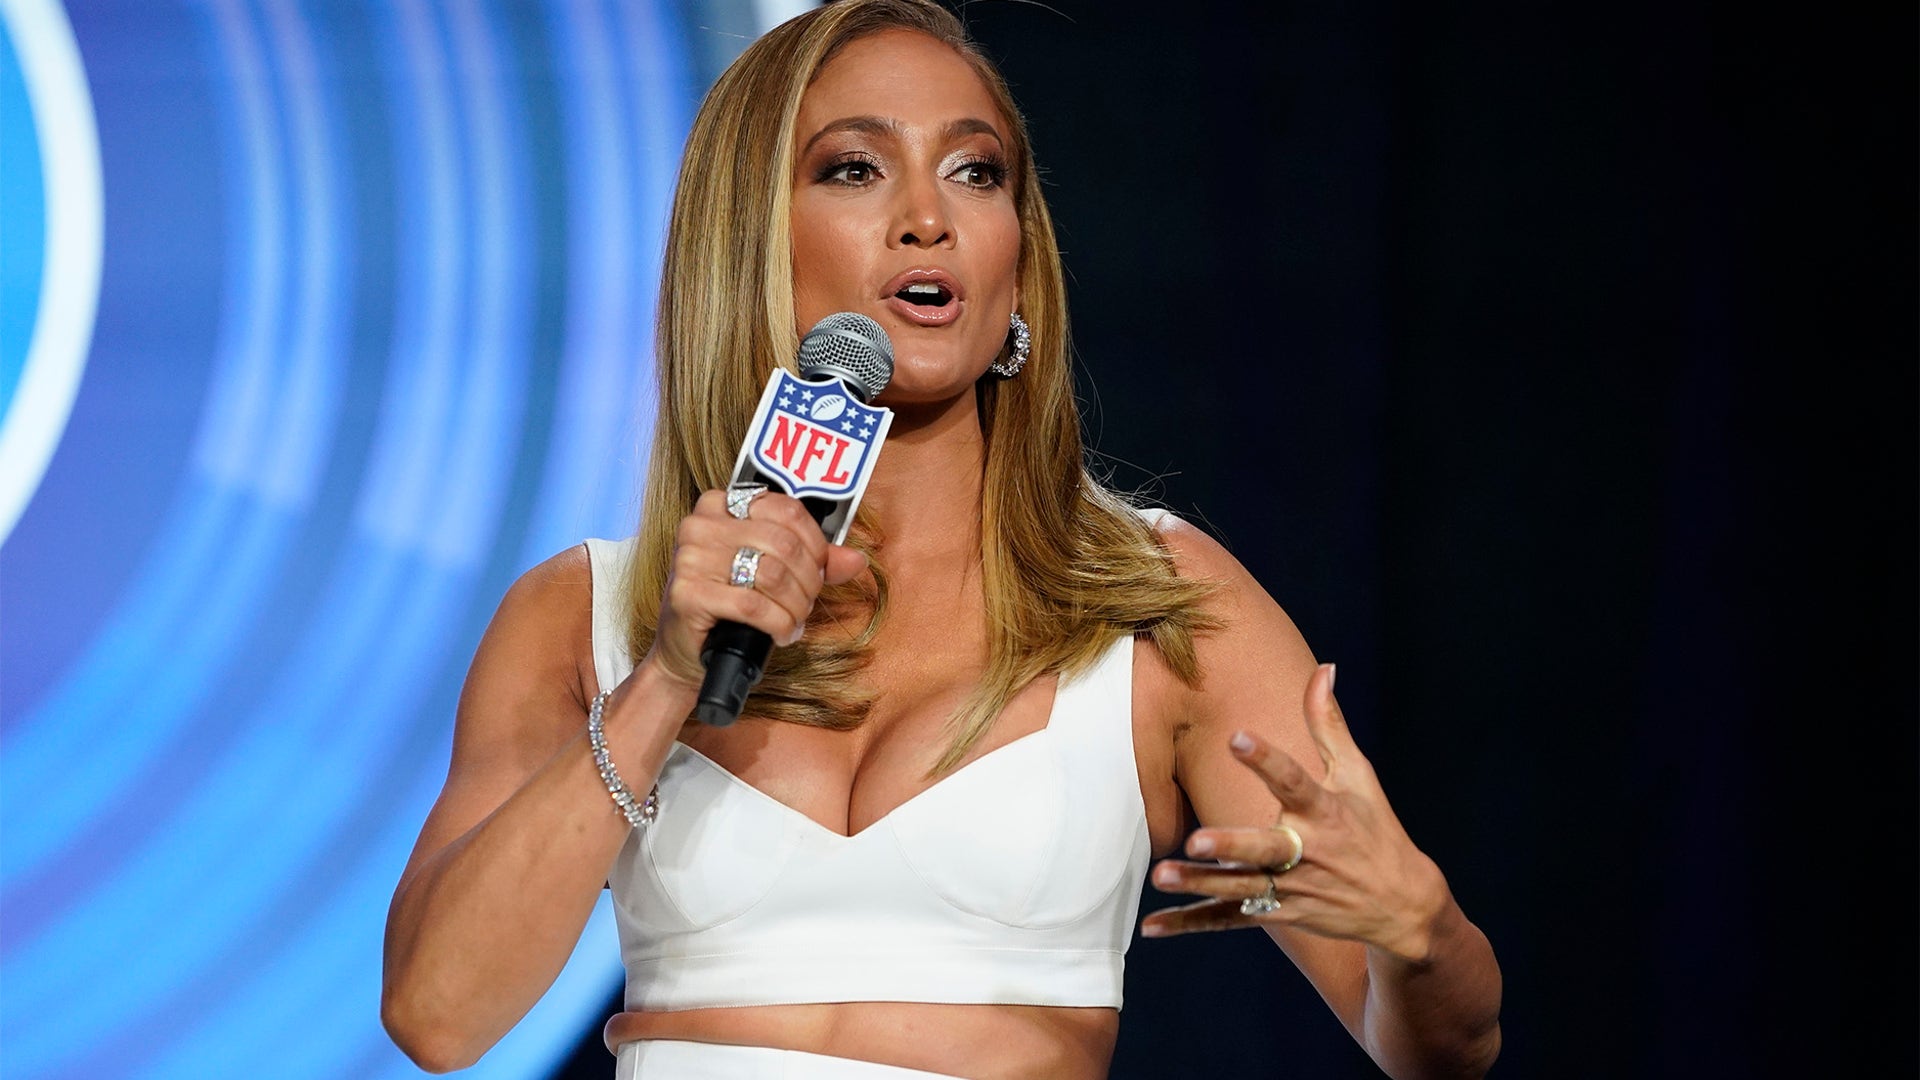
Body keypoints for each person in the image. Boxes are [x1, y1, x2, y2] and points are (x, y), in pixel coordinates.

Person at [381, 2, 1503, 1077]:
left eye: (977, 171)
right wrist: (669, 677)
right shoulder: (586, 614)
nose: (930, 216)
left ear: (1018, 260)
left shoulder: (1154, 605)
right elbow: (438, 1017)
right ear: (751, 240)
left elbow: (1441, 1045)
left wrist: (1421, 929)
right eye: (855, 169)